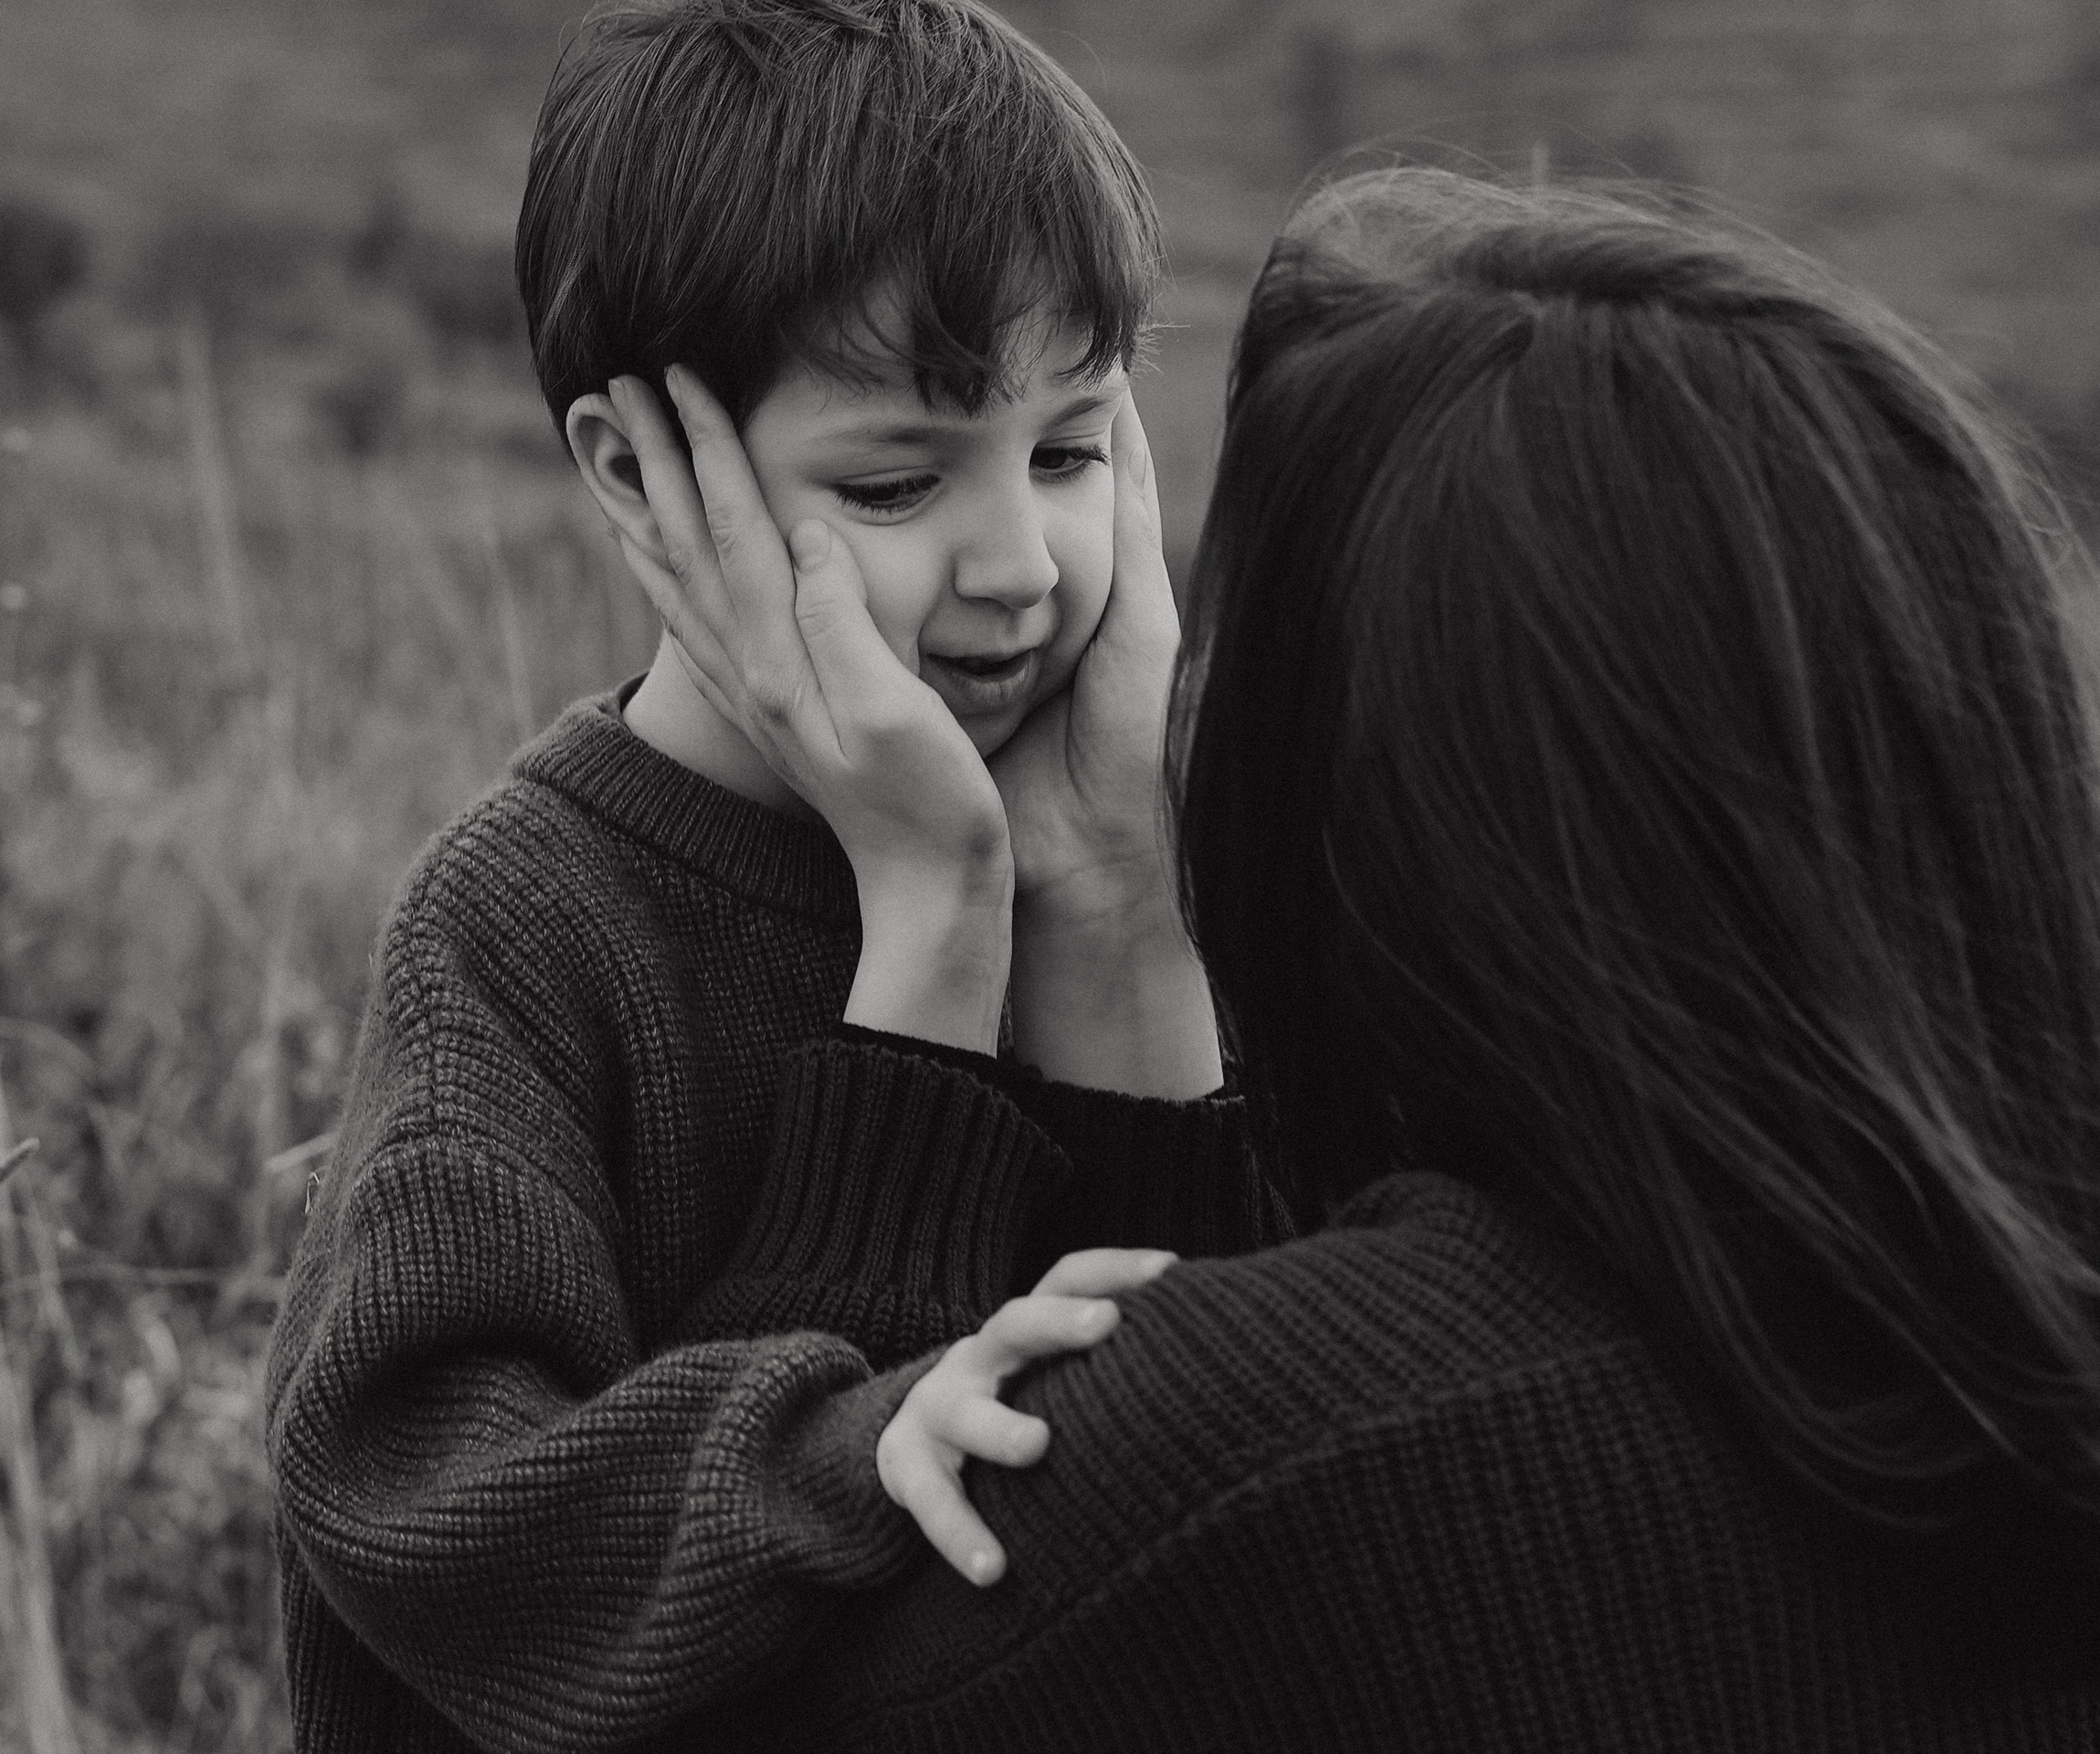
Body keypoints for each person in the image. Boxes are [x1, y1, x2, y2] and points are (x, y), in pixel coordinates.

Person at [616, 168, 2100, 1749]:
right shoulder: (1999, 1358)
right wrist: (1116, 914)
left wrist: (931, 931)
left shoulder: (1254, 1454)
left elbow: (677, 1706)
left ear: (1372, 781)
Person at [263, 3, 1287, 1749]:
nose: (1023, 565)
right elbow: (422, 1523)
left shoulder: (1149, 851)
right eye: (897, 482)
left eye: (1067, 452)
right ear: (637, 473)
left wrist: (1117, 907)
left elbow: (1232, 1530)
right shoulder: (527, 921)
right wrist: (934, 937)